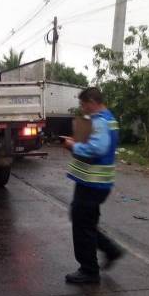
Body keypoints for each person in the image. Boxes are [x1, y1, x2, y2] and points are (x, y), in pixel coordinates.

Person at [61, 87, 123, 284]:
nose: (82, 108)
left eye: (83, 104)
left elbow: (97, 148)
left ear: (91, 101)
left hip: (92, 183)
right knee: (85, 223)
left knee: (82, 224)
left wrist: (73, 146)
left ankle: (89, 270)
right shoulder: (108, 119)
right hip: (95, 183)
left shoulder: (100, 122)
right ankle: (110, 250)